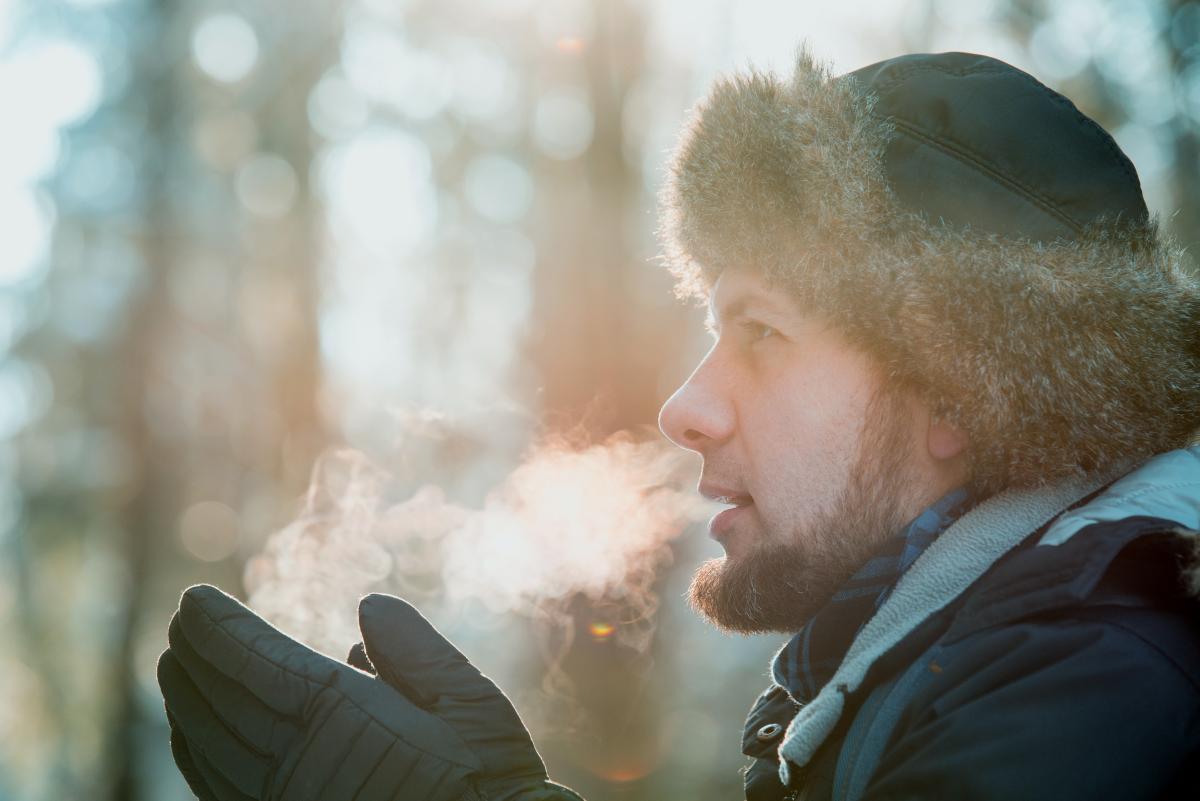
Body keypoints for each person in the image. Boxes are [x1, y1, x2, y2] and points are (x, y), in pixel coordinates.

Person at [158, 50, 1200, 801]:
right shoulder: (939, 660)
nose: (684, 408)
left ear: (969, 388)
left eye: (762, 331)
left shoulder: (1094, 692)